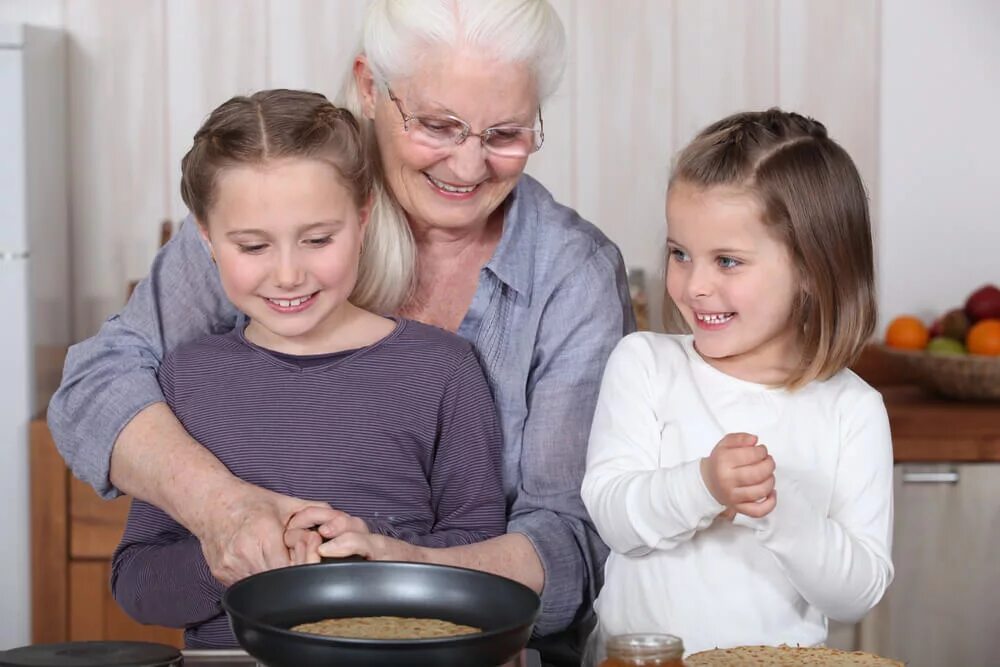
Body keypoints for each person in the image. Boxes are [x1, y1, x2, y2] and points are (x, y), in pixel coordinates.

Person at [48, 1, 634, 662]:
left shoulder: (569, 275)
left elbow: (570, 541)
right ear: (369, 87)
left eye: (506, 133)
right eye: (439, 125)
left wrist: (396, 565)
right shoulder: (267, 202)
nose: (470, 168)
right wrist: (226, 514)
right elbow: (97, 384)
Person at [109, 89, 507, 648]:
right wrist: (225, 557)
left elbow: (479, 550)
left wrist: (371, 549)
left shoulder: (442, 370)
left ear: (363, 217)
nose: (289, 274)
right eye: (253, 246)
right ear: (206, 238)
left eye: (318, 239)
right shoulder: (186, 380)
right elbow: (136, 584)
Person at [581, 109, 894, 658]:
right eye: (680, 253)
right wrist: (702, 485)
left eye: (727, 261)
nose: (694, 284)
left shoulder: (853, 409)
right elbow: (612, 516)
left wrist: (779, 509)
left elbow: (858, 594)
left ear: (811, 272)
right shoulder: (645, 365)